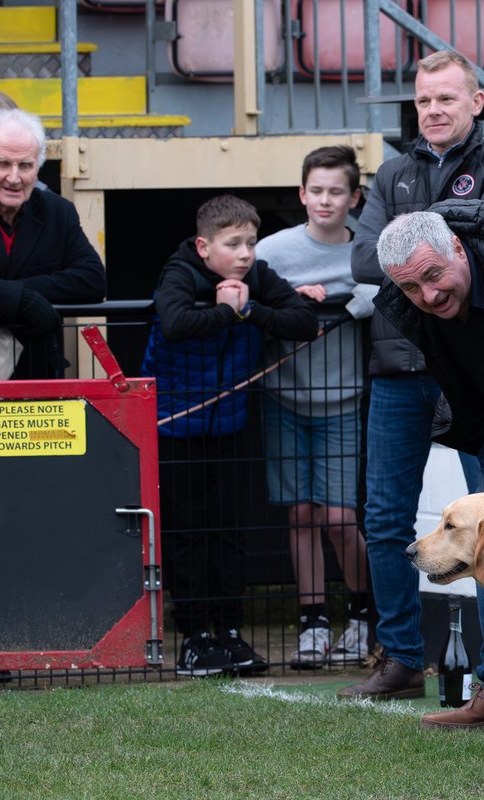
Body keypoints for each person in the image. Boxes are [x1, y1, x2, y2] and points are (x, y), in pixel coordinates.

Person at [347, 49, 484, 702]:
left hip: (476, 370)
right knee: (384, 517)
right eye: (424, 100)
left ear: (476, 102)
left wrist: (413, 237)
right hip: (400, 366)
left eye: (446, 98)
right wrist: (427, 240)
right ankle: (401, 658)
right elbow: (365, 259)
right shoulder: (391, 171)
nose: (433, 110)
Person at [350, 199, 484, 732]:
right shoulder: (409, 302)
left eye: (434, 276)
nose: (428, 295)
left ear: (458, 249)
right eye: (411, 288)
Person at [141, 194, 319, 678]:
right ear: (204, 247)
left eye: (251, 243)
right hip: (175, 427)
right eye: (233, 244)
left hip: (231, 426)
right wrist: (225, 312)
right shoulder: (179, 273)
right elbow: (175, 323)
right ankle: (195, 636)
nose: (245, 254)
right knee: (186, 534)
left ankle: (231, 631)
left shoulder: (256, 276)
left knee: (230, 531)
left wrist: (251, 309)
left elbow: (303, 322)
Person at [255, 145, 375, 670]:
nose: (325, 201)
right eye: (316, 191)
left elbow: (389, 288)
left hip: (344, 400)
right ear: (302, 194)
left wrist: (353, 301)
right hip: (283, 397)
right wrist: (287, 300)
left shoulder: (367, 249)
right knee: (301, 513)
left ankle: (363, 614)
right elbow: (246, 291)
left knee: (341, 518)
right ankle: (312, 621)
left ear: (354, 198)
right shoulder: (272, 251)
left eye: (336, 192)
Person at [0, 108, 106, 380]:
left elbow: (92, 279)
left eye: (25, 165)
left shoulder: (58, 211)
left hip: (36, 373)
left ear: (38, 167)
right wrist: (20, 301)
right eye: (2, 164)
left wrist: (19, 295)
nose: (14, 178)